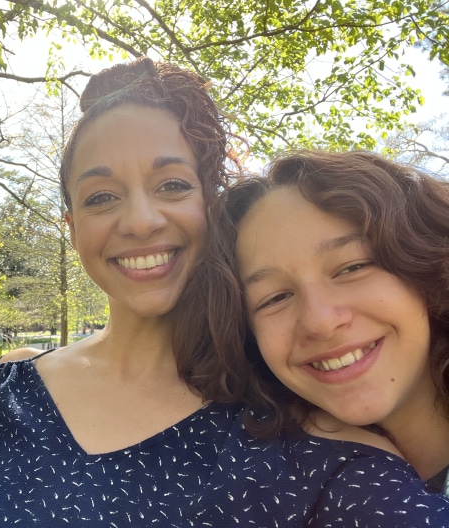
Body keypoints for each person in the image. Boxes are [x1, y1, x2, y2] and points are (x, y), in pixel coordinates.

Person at [0, 59, 449, 528]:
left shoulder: (322, 451)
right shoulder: (14, 391)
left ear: (210, 201)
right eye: (102, 197)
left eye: (172, 185)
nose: (139, 220)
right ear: (71, 226)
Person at [185, 149, 449, 496]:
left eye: (352, 267)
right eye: (275, 298)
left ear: (424, 266)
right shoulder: (266, 495)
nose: (320, 322)